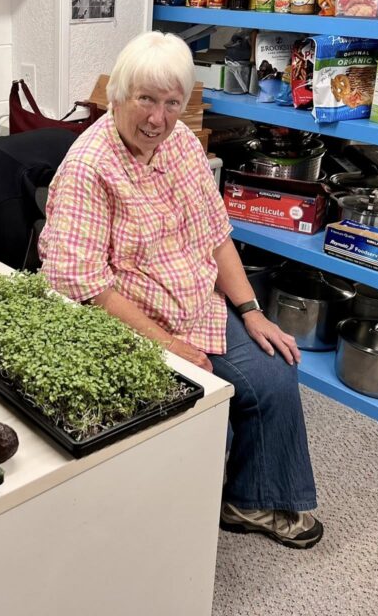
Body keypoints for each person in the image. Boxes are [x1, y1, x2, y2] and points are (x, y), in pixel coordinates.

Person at [39, 31, 322, 549]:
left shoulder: (182, 144)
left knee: (275, 371)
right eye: (146, 99)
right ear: (117, 96)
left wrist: (251, 310)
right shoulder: (88, 168)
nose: (158, 118)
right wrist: (169, 345)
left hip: (195, 305)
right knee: (199, 409)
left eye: (172, 103)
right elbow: (86, 288)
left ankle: (248, 501)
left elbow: (216, 235)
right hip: (127, 324)